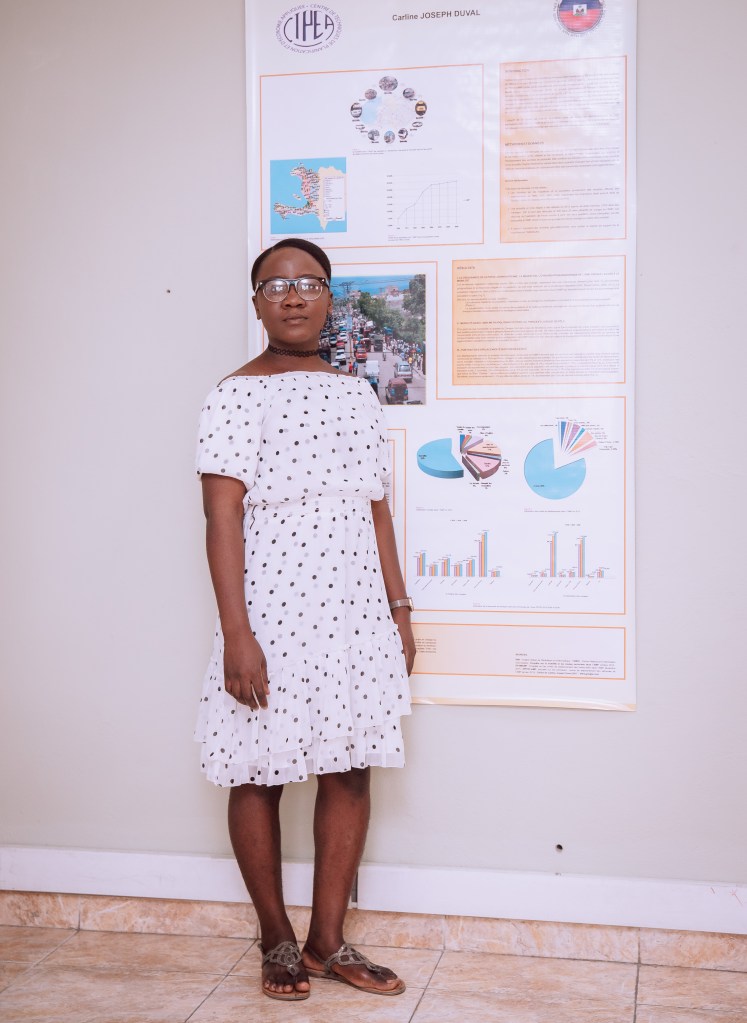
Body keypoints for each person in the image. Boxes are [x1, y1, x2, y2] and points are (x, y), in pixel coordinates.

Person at [195, 238, 415, 1001]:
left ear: (329, 298)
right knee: (258, 767)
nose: (292, 296)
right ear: (256, 301)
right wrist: (237, 633)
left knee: (348, 765)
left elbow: (376, 509)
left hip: (353, 610)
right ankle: (277, 939)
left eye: (308, 283)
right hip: (272, 610)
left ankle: (328, 939)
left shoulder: (358, 394)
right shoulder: (233, 395)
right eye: (274, 285)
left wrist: (397, 608)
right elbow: (222, 518)